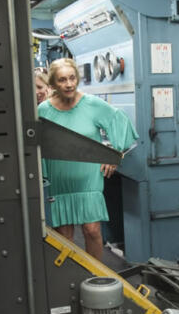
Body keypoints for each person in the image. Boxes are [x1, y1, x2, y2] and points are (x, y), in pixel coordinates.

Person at [38, 58, 138, 262]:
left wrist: (114, 153)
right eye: (63, 80)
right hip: (60, 180)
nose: (69, 84)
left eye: (72, 78)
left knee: (92, 230)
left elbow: (120, 120)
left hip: (88, 179)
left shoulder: (91, 104)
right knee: (65, 236)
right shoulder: (43, 111)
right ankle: (70, 280)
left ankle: (95, 278)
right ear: (53, 84)